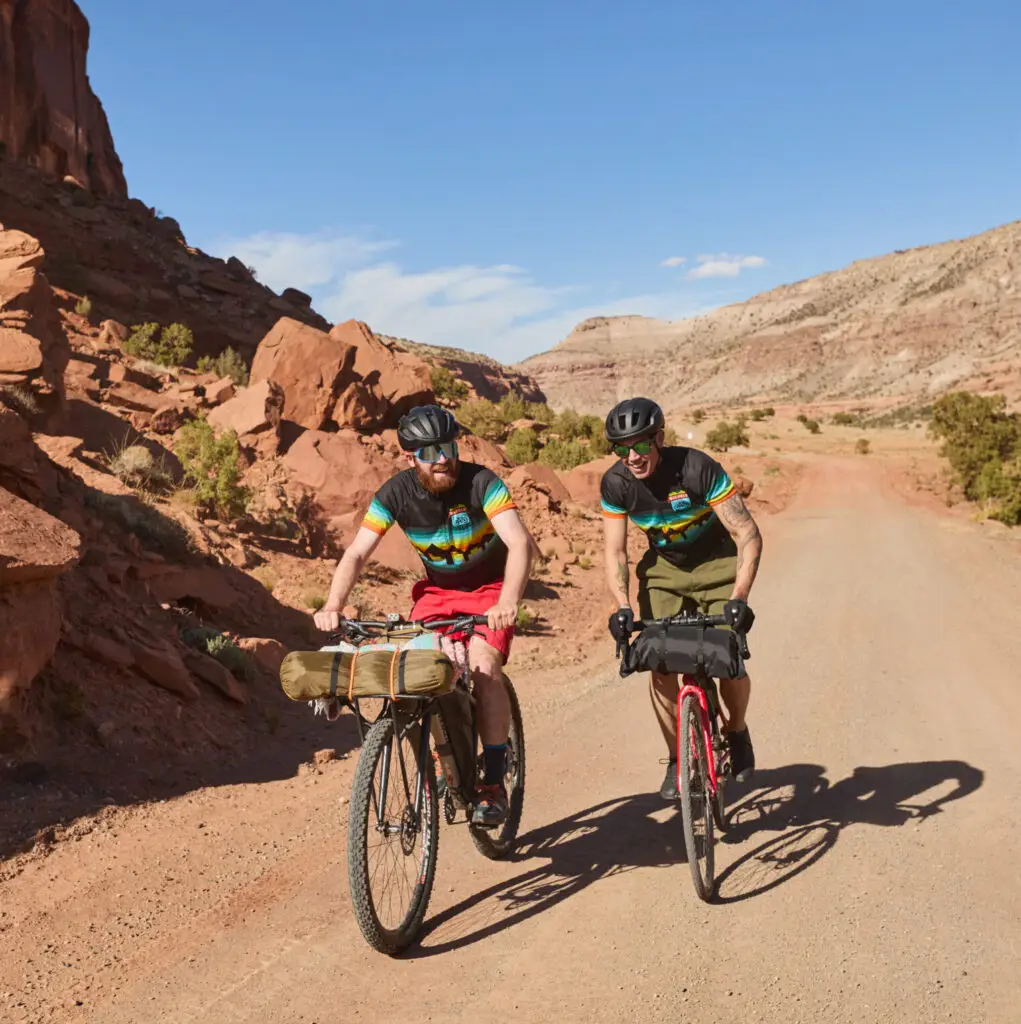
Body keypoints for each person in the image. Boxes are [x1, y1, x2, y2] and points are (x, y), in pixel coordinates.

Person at [313, 404, 533, 826]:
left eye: (447, 447)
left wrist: (508, 600)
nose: (442, 458)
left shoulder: (482, 483)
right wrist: (333, 606)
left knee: (484, 667)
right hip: (437, 596)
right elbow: (357, 552)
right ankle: (439, 757)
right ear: (409, 457)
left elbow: (519, 544)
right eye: (428, 452)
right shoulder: (395, 494)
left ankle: (492, 781)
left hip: (490, 593)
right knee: (413, 670)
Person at [600, 397, 763, 796]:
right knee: (657, 660)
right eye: (622, 449)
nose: (632, 457)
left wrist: (739, 596)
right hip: (665, 570)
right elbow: (615, 550)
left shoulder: (696, 467)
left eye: (640, 445)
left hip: (716, 562)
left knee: (729, 658)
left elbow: (747, 534)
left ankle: (737, 732)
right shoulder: (616, 484)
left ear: (659, 438)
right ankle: (678, 756)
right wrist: (621, 605)